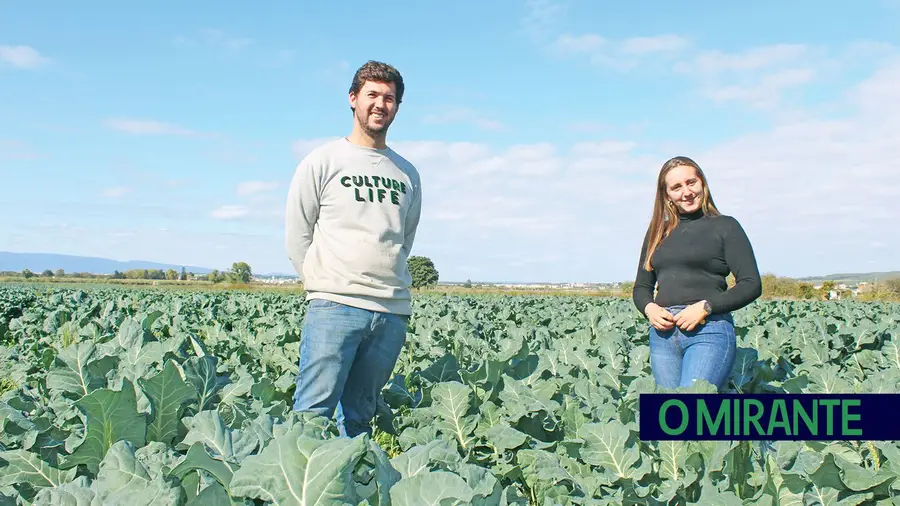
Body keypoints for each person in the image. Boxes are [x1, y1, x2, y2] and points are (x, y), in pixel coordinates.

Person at [284, 60, 422, 437]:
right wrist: (322, 284)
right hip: (335, 305)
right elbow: (298, 233)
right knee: (312, 416)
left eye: (389, 98)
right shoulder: (323, 161)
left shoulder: (406, 172)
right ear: (353, 99)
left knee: (360, 418)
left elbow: (403, 238)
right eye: (372, 95)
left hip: (390, 312)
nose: (381, 104)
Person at [632, 156, 761, 392]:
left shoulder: (725, 226)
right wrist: (650, 309)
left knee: (689, 413)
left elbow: (751, 283)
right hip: (663, 338)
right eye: (677, 187)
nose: (687, 192)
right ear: (667, 195)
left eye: (691, 182)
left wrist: (705, 307)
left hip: (708, 331)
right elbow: (642, 287)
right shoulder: (657, 232)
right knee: (671, 421)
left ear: (703, 183)